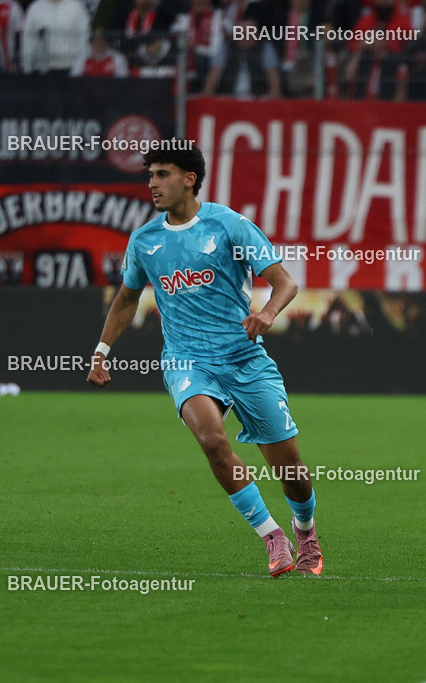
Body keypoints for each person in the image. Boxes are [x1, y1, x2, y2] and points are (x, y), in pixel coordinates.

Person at [86, 144, 323, 577]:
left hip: (244, 359)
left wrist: (267, 313)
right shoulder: (145, 240)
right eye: (150, 175)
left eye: (162, 174)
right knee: (212, 440)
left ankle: (305, 532)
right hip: (186, 361)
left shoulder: (228, 225)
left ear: (189, 178)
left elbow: (283, 281)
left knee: (289, 468)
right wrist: (102, 352)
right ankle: (273, 538)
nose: (152, 184)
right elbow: (126, 299)